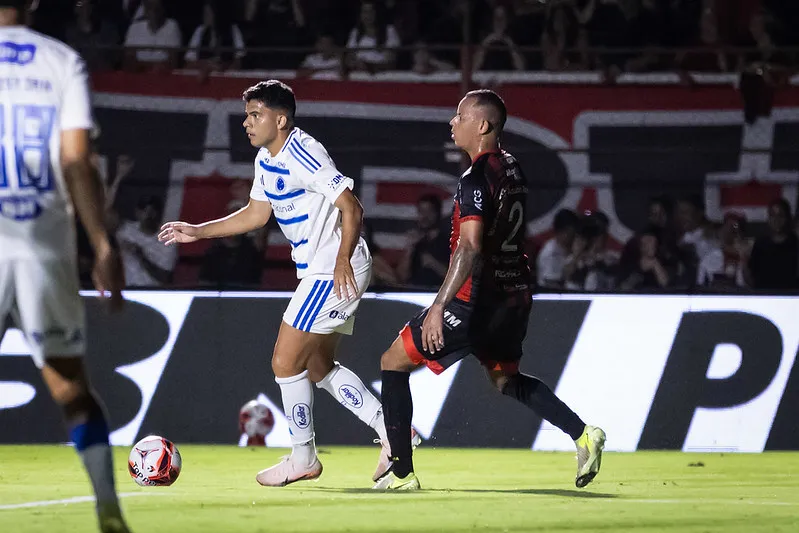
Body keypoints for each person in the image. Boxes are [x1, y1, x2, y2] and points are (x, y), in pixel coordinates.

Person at [159, 80, 417, 486]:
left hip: (330, 268)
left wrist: (342, 261)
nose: (246, 123)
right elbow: (255, 215)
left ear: (280, 119)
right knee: (317, 366)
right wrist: (198, 230)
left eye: (255, 115)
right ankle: (392, 431)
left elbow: (352, 205)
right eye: (246, 115)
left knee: (284, 362)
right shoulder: (266, 158)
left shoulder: (303, 151)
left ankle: (304, 457)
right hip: (323, 268)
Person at [374, 89, 605, 491]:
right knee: (505, 380)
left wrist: (438, 306)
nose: (452, 122)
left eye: (459, 116)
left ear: (481, 125)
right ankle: (584, 434)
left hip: (476, 300)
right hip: (514, 297)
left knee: (393, 361)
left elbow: (470, 246)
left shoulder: (475, 178)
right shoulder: (512, 167)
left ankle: (401, 473)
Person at [0, 1, 129, 531]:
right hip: (42, 247)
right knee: (70, 387)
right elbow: (77, 160)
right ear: (32, 3)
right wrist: (101, 245)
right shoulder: (61, 61)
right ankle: (108, 509)